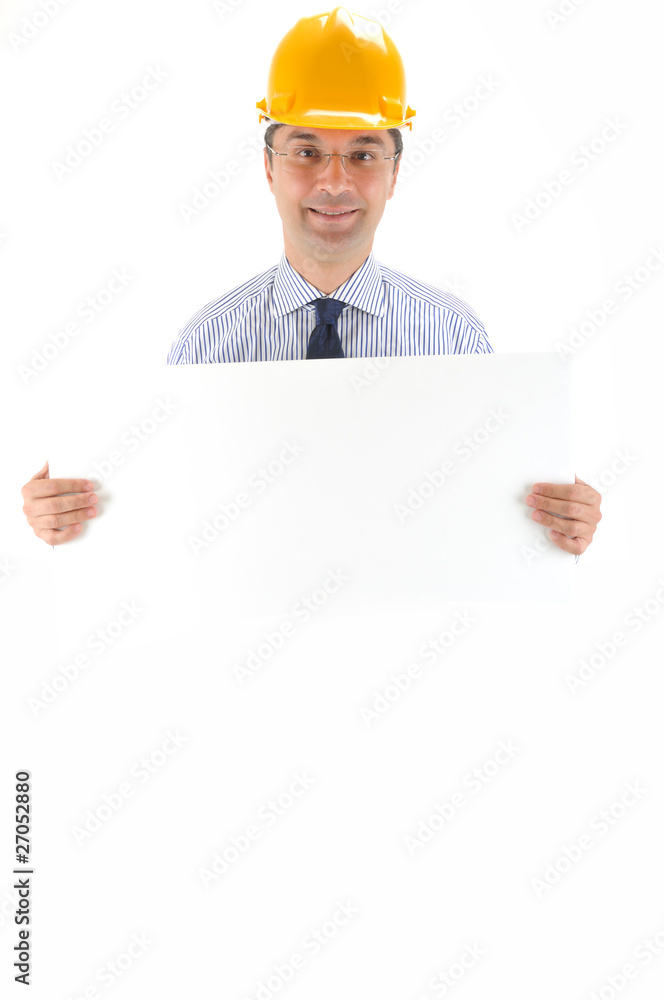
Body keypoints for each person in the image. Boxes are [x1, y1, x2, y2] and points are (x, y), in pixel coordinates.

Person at [21, 7, 601, 554]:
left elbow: (488, 522)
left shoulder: (455, 337)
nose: (334, 182)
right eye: (306, 150)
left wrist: (559, 524)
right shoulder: (206, 344)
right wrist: (66, 515)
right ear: (268, 167)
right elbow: (165, 519)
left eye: (364, 154)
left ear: (394, 173)